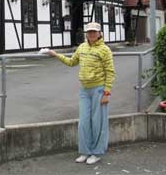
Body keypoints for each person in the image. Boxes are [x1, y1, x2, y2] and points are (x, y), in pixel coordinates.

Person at [47, 22, 115, 165]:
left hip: (99, 89)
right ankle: (85, 151)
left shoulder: (105, 50)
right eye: (89, 32)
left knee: (98, 123)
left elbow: (110, 72)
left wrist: (106, 93)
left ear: (99, 33)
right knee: (83, 122)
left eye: (94, 32)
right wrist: (55, 54)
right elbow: (72, 62)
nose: (91, 34)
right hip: (84, 90)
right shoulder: (82, 47)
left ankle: (96, 153)